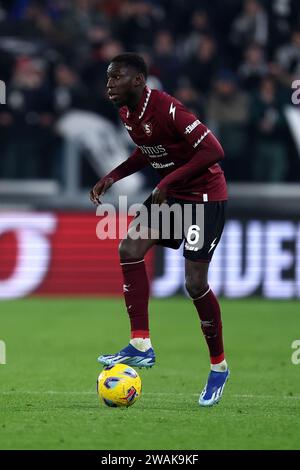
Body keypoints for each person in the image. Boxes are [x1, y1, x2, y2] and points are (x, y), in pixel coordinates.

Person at [90, 53, 229, 407]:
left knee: (194, 284)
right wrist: (111, 177)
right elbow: (148, 151)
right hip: (170, 195)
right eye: (107, 78)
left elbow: (214, 150)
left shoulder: (169, 110)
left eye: (116, 77)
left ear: (138, 81)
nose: (109, 84)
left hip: (203, 198)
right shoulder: (126, 112)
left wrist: (168, 181)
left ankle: (218, 368)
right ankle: (140, 344)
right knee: (129, 249)